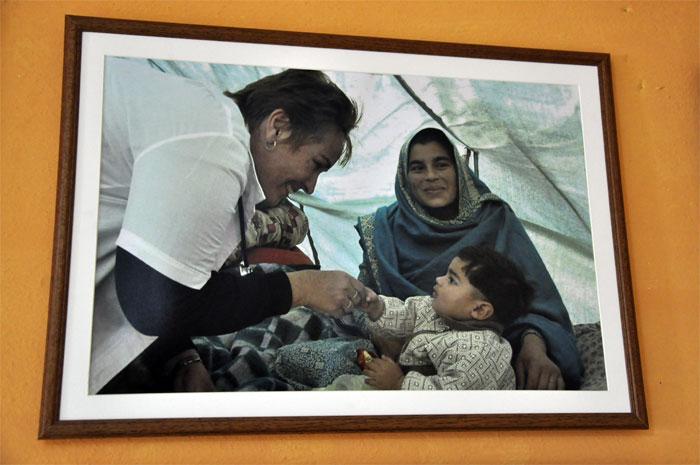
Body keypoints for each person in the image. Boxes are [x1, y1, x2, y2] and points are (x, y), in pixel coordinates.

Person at [91, 58, 368, 394]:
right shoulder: (217, 141)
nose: (311, 186)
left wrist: (182, 357)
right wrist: (303, 287)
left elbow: (156, 275)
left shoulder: (208, 131)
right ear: (277, 127)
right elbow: (154, 305)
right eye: (316, 164)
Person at [355, 127, 583, 389]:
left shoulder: (494, 218)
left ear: (459, 169)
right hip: (399, 353)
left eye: (441, 164)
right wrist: (381, 334)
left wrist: (535, 346)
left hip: (479, 361)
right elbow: (365, 299)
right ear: (404, 178)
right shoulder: (382, 229)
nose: (431, 176)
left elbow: (537, 300)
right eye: (417, 168)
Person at [329, 245, 533, 390]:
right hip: (404, 382)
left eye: (452, 280)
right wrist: (377, 308)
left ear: (479, 310)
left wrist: (399, 384)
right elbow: (405, 316)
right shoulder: (435, 309)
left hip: (456, 430)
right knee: (347, 362)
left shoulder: (482, 351)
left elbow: (452, 401)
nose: (439, 279)